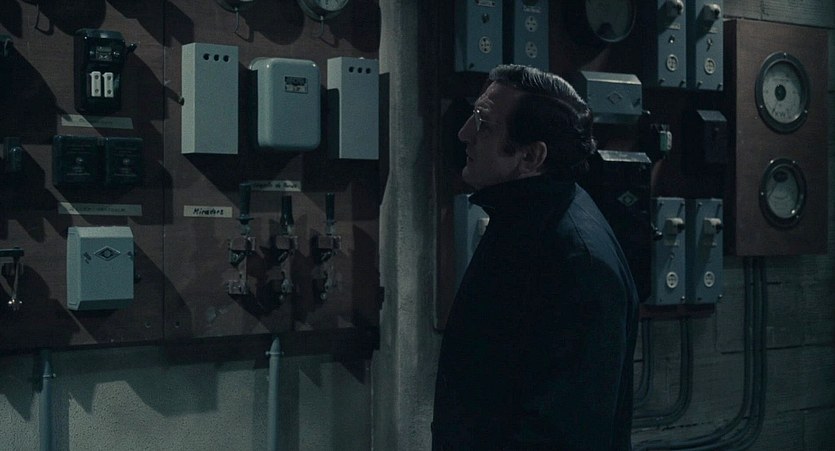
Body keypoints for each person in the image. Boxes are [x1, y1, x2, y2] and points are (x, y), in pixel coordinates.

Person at [432, 64, 639, 450]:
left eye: (483, 124)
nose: (464, 134)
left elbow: (563, 434)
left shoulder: (579, 261)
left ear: (531, 156)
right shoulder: (522, 219)